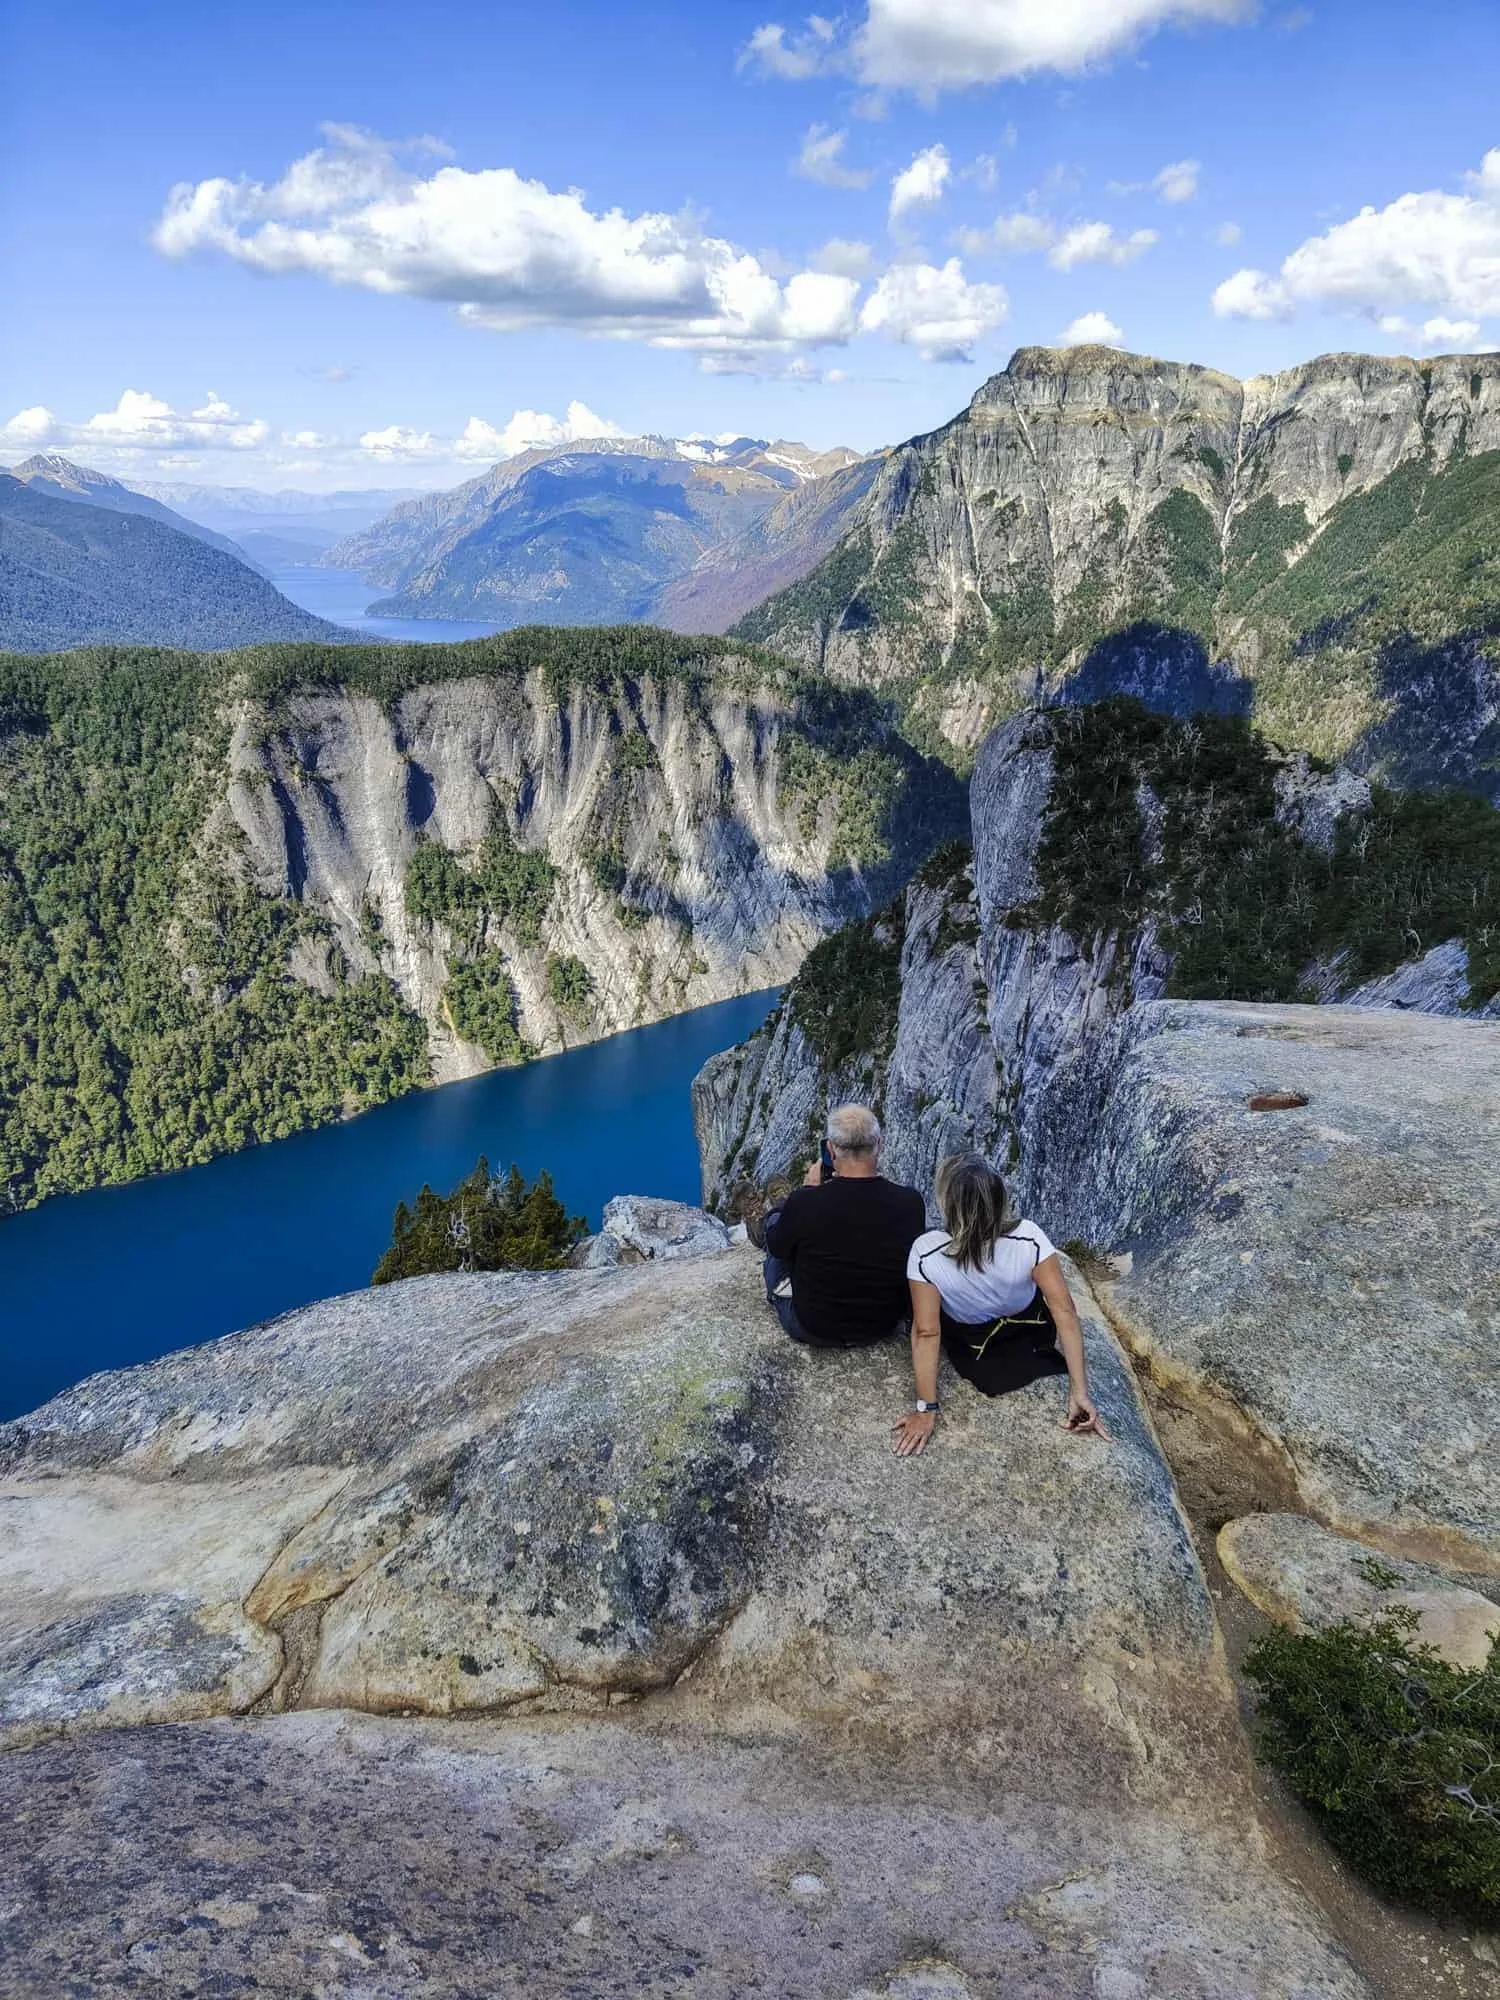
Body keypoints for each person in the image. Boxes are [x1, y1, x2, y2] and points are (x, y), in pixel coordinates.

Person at [892, 1150, 1111, 1457]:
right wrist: (1079, 1392)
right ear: (999, 1198)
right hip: (1031, 1327)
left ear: (947, 1203)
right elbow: (1064, 1310)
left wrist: (926, 1408)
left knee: (911, 1295)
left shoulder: (926, 1251)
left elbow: (927, 1332)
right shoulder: (1028, 1237)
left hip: (975, 1345)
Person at [761, 1104, 925, 1348]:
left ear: (831, 1149)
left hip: (813, 1326)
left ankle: (775, 1212)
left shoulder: (806, 1202)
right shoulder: (910, 1202)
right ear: (880, 1145)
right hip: (881, 1324)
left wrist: (806, 1192)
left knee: (775, 1239)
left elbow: (778, 1249)